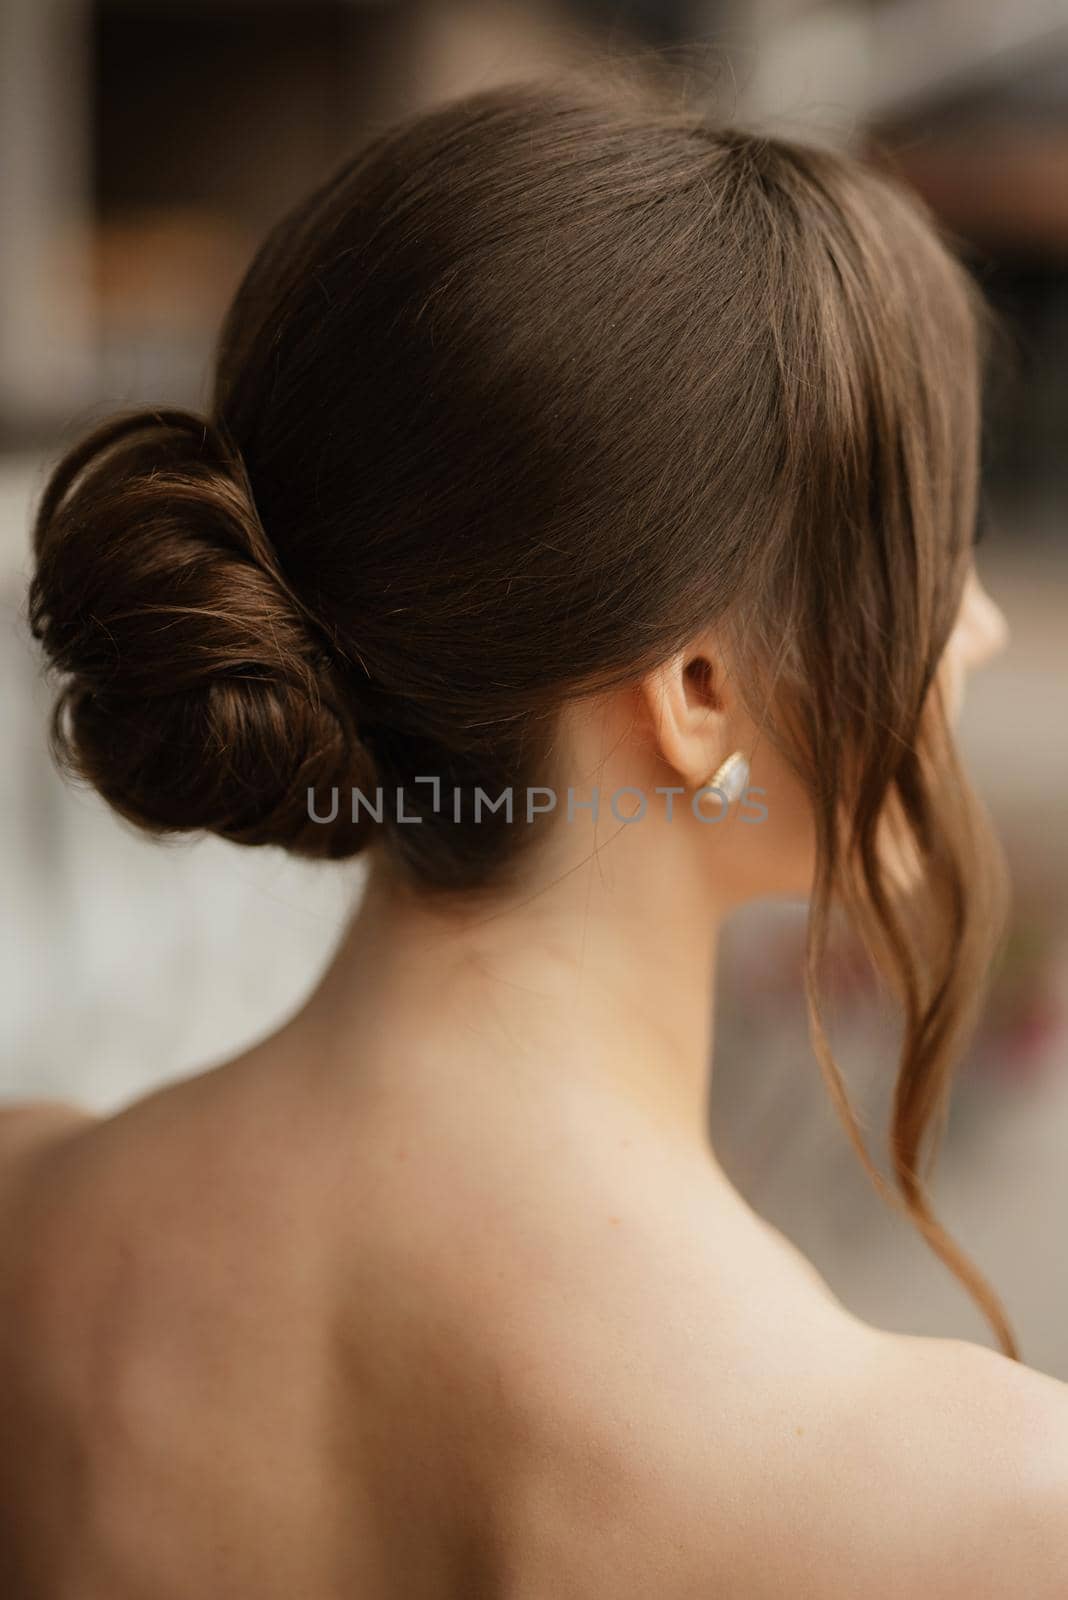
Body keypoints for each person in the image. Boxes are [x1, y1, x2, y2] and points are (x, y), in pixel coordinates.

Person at [3, 67, 1067, 1598]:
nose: (972, 626)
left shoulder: (25, 1239)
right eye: (920, 557)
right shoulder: (984, 1507)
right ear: (698, 694)